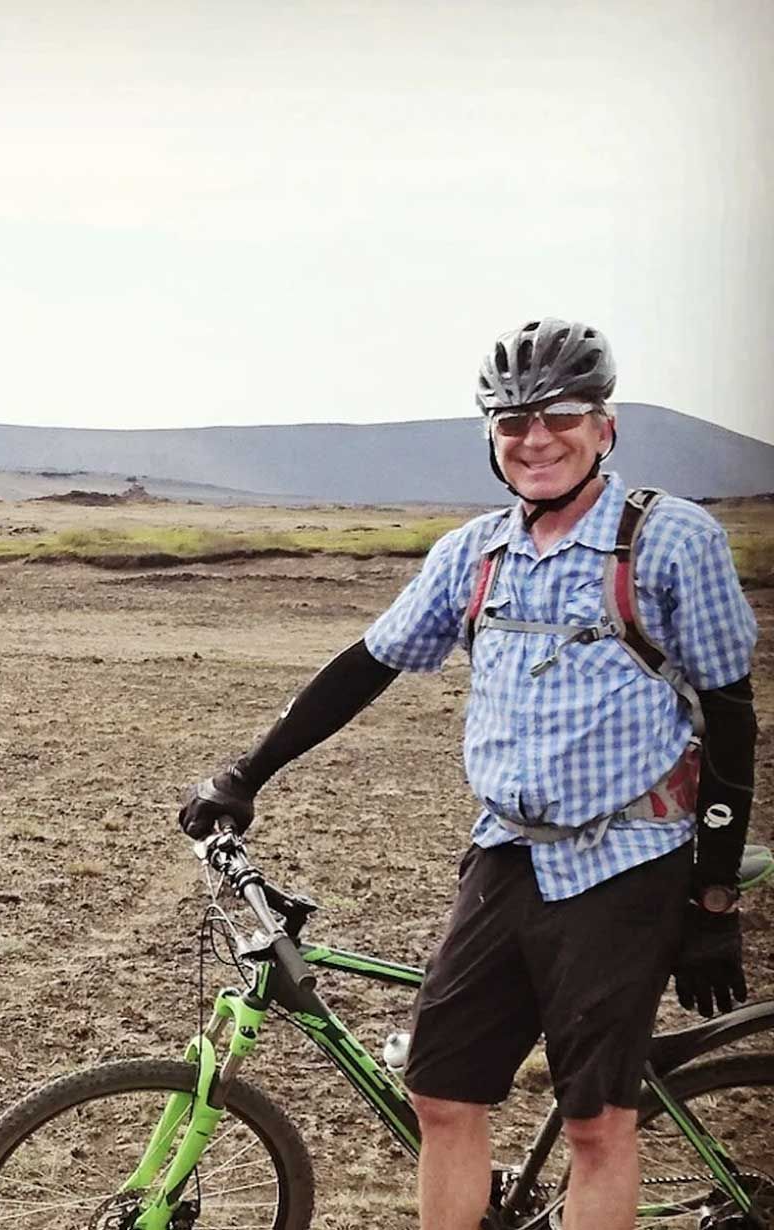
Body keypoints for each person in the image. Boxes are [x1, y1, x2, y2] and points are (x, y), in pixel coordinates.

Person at [177, 317, 759, 1230]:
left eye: (560, 415)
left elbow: (730, 716)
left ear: (604, 427)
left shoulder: (671, 542)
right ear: (490, 438)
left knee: (596, 1123)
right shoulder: (472, 554)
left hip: (628, 859)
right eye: (511, 421)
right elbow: (365, 665)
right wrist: (246, 774)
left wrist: (714, 901)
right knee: (442, 1093)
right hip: (506, 853)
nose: (536, 439)